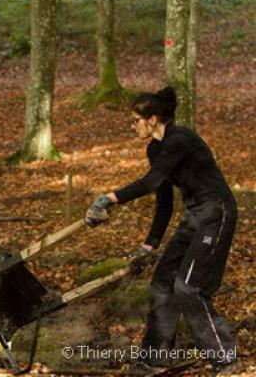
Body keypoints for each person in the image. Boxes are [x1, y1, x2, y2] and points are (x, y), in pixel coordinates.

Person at [85, 87, 237, 370]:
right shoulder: (155, 148)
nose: (132, 126)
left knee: (189, 288)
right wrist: (149, 245)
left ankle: (224, 359)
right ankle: (154, 359)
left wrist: (109, 198)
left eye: (134, 120)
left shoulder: (181, 139)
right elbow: (164, 200)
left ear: (152, 119)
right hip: (195, 214)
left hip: (217, 211)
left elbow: (151, 181)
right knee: (162, 282)